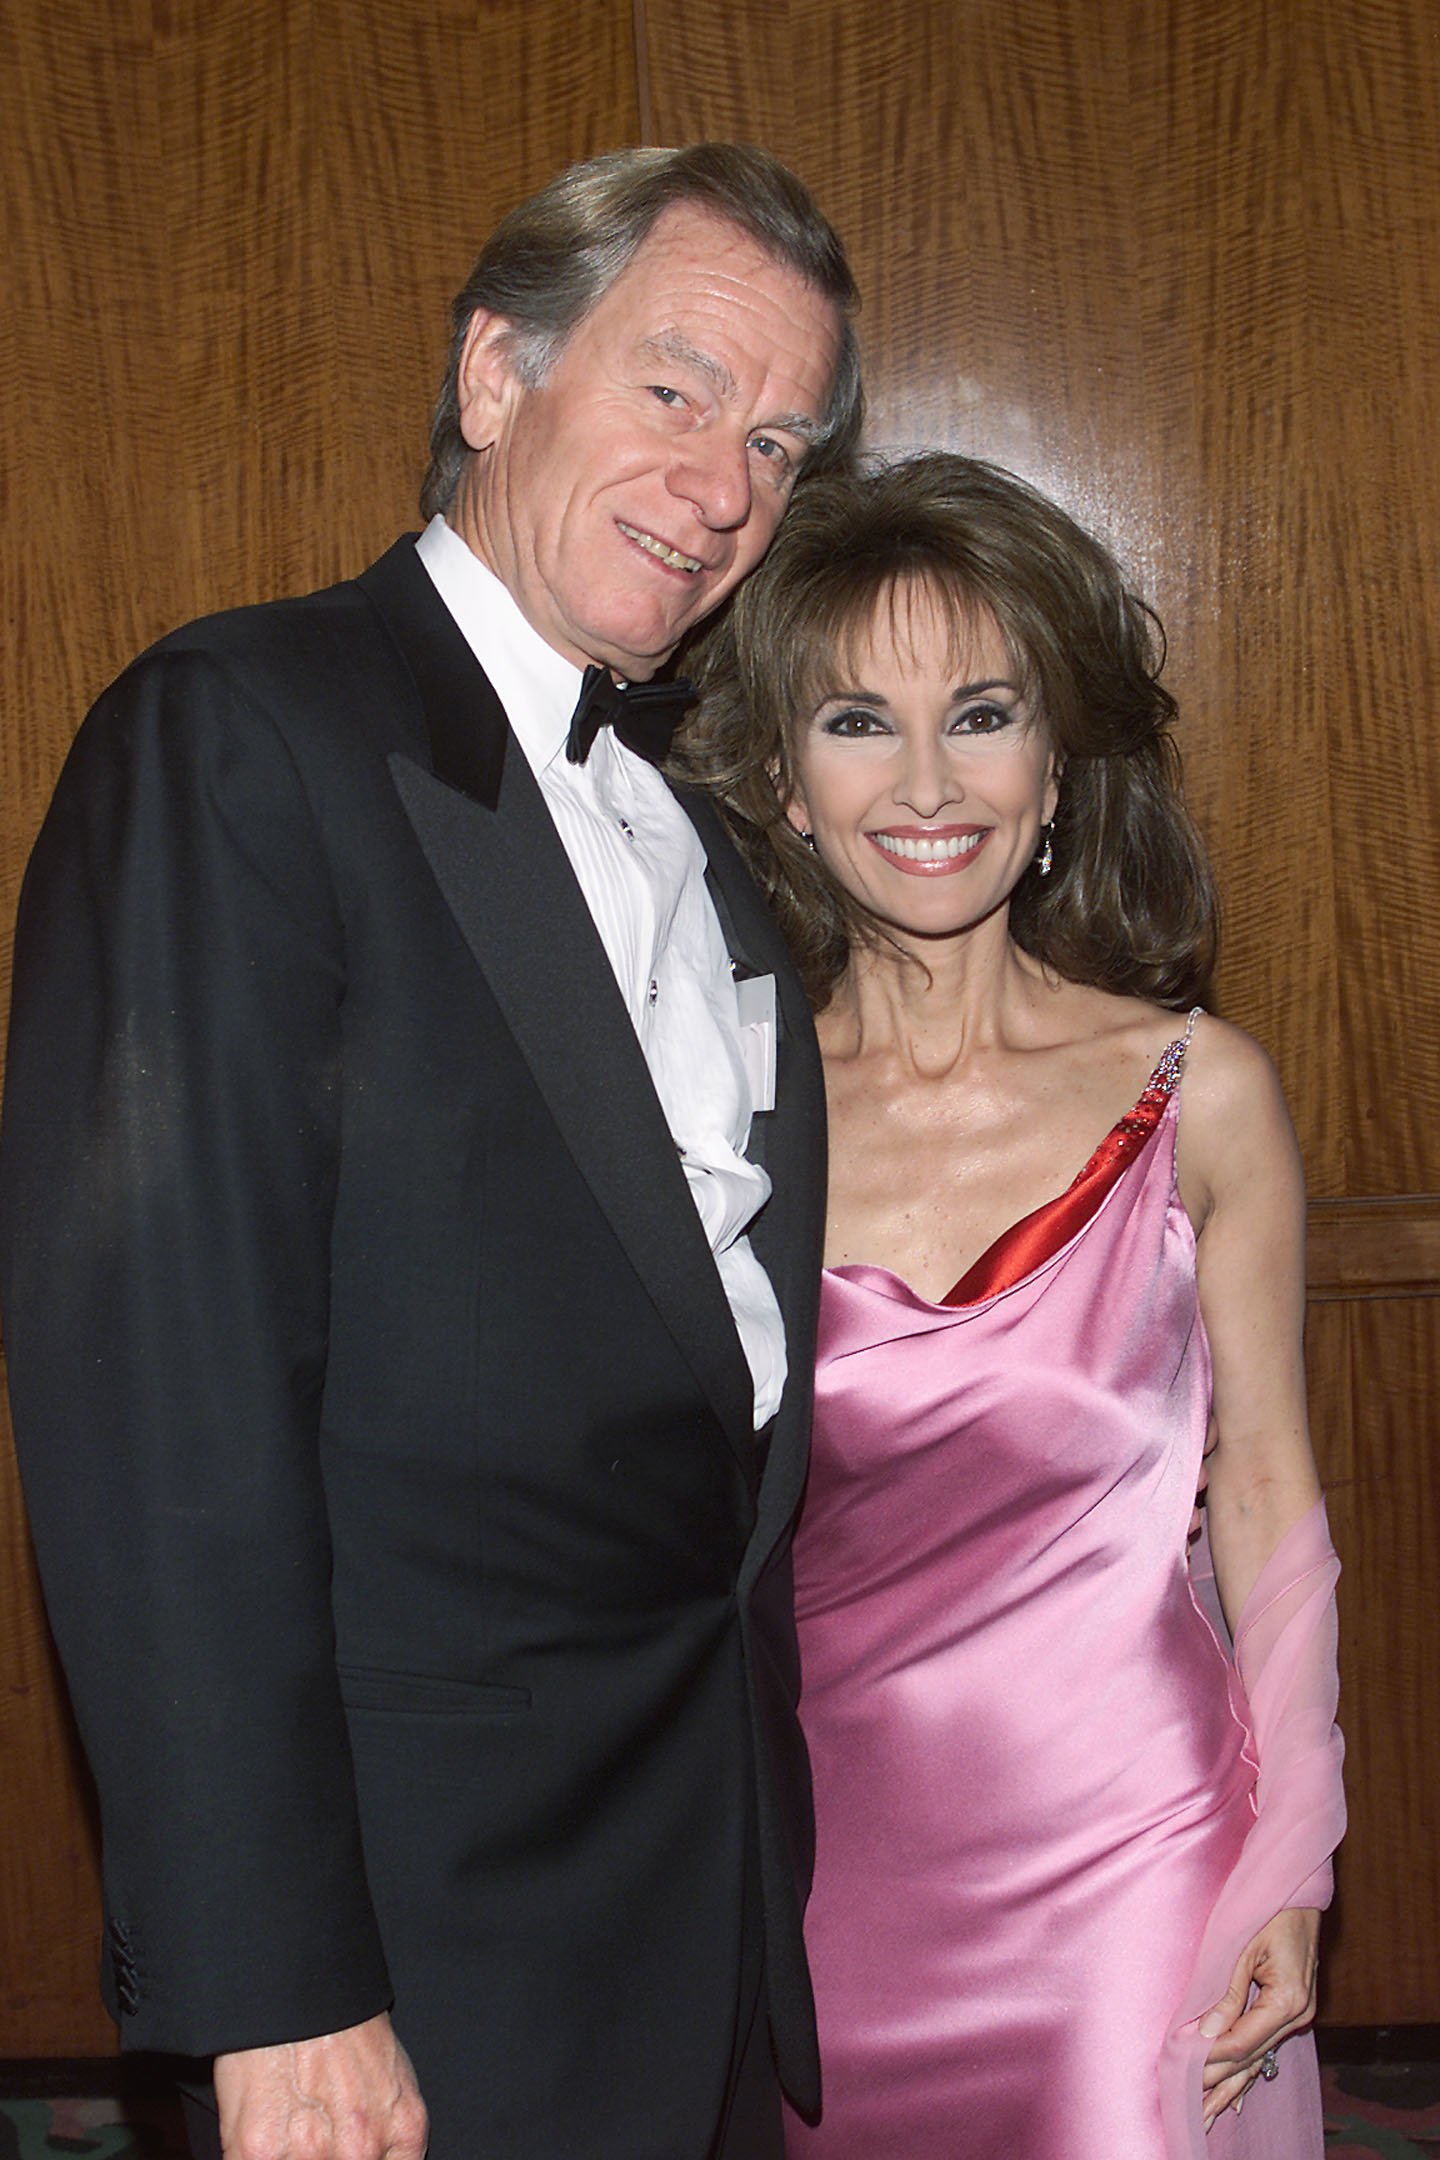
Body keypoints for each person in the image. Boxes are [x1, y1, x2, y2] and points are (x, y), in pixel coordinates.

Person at [0, 144, 864, 2160]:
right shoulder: (240, 733)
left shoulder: (704, 843)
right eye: (674, 390)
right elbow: (167, 1404)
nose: (728, 482)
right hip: (414, 1944)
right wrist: (278, 1983)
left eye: (781, 439)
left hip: (694, 1916)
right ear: (494, 375)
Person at [680, 452, 1346, 2159]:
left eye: (982, 715)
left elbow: (1267, 1497)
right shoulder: (723, 1119)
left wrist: (1294, 1867)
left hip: (1133, 1865)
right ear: (780, 775)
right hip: (819, 1870)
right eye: (856, 724)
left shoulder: (1202, 1091)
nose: (927, 782)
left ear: (1057, 768)